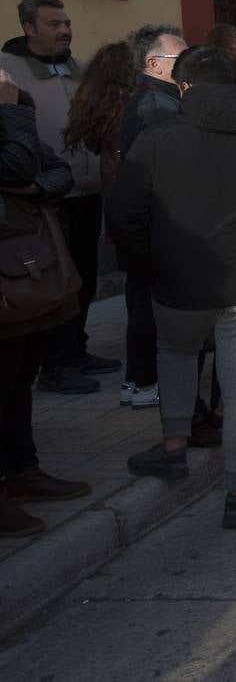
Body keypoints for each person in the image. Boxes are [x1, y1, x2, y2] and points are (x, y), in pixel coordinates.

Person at [109, 46, 236, 527]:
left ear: (184, 87)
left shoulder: (157, 139)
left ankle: (174, 449)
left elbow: (125, 214)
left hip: (178, 276)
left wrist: (145, 264)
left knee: (176, 356)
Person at [0, 0, 121, 393]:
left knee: (84, 278)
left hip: (86, 191)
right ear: (29, 28)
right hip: (41, 198)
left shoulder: (81, 69)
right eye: (54, 24)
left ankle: (75, 350)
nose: (65, 30)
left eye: (66, 23)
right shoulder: (9, 73)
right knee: (53, 283)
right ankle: (53, 364)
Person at [0, 72, 92, 536]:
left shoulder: (10, 114)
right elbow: (15, 166)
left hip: (25, 259)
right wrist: (9, 108)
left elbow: (57, 170)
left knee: (19, 378)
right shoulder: (9, 109)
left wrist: (33, 188)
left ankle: (23, 470)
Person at [65, 42, 159, 408]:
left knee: (137, 298)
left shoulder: (99, 106)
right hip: (135, 210)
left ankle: (136, 379)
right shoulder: (129, 107)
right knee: (145, 302)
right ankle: (141, 379)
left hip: (116, 209)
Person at [120, 23, 189, 155]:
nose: (192, 61)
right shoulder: (154, 108)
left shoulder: (172, 96)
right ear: (154, 64)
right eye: (182, 57)